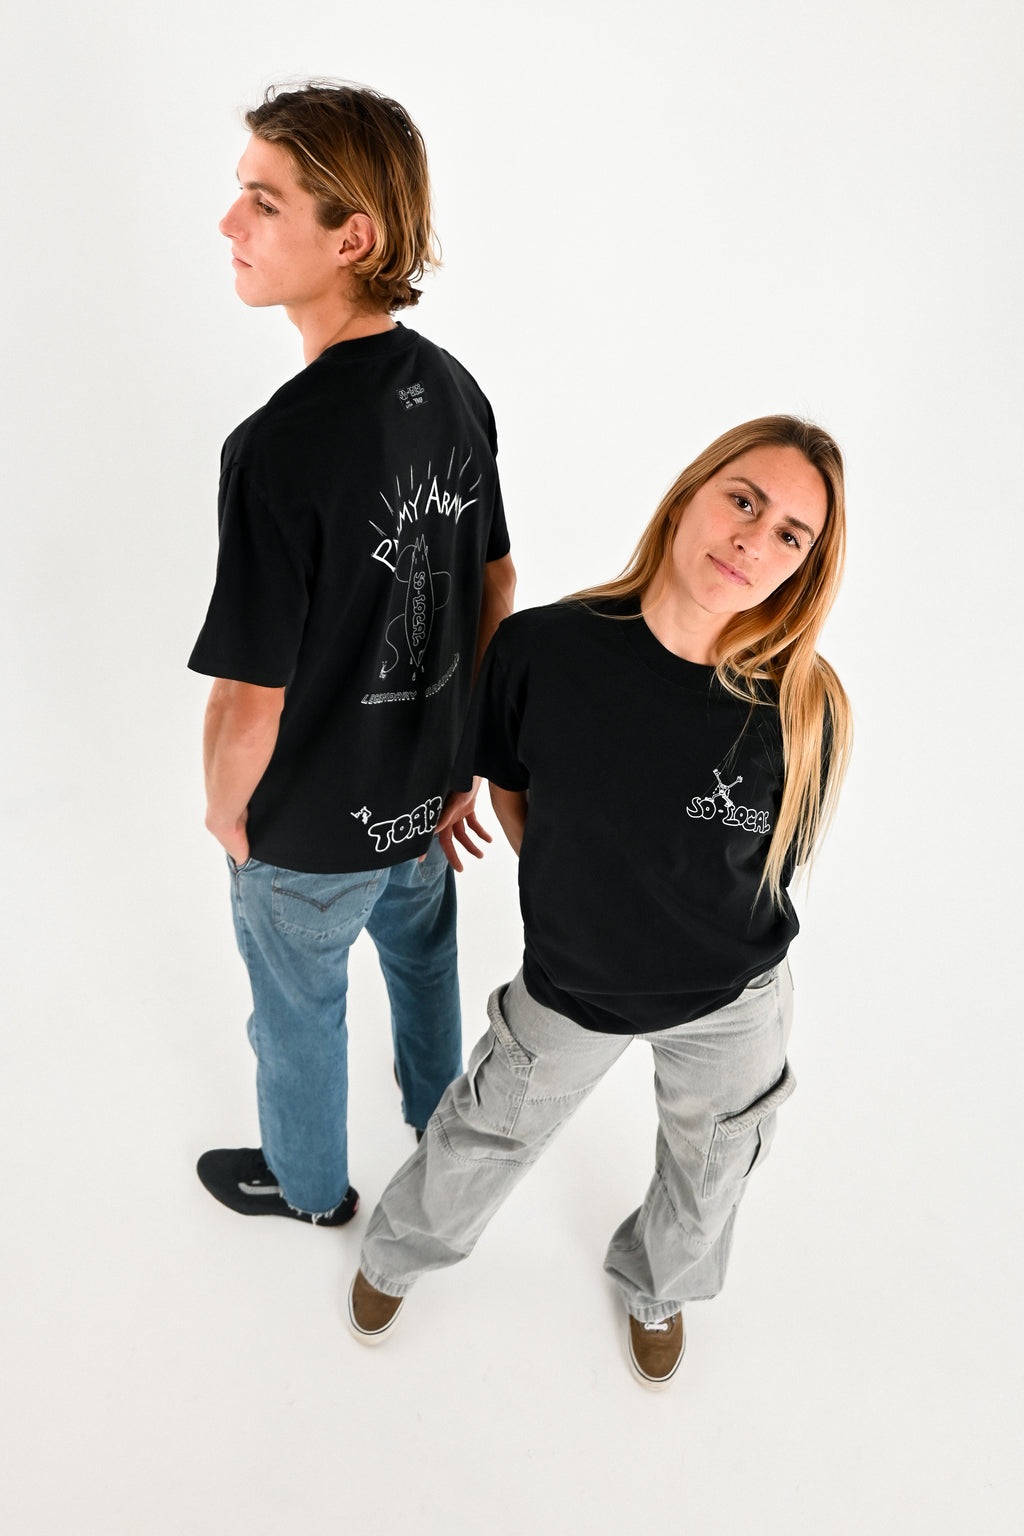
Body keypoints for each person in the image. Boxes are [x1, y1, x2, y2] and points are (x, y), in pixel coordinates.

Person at [347, 415, 851, 1388]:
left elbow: (770, 864)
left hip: (731, 1004)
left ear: (804, 566)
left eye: (790, 534)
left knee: (710, 1174)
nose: (754, 541)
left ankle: (659, 1288)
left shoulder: (803, 704)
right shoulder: (544, 650)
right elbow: (511, 787)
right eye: (744, 501)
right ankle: (397, 1255)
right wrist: (583, 890)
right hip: (571, 984)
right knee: (484, 1132)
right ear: (690, 493)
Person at [188, 82, 515, 1227]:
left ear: (352, 238)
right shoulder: (454, 391)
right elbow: (496, 587)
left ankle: (312, 1188)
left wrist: (227, 815)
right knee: (425, 968)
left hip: (310, 833)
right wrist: (459, 760)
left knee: (296, 1015)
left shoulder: (275, 450)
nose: (230, 223)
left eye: (264, 201)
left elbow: (250, 694)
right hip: (424, 801)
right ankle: (443, 1130)